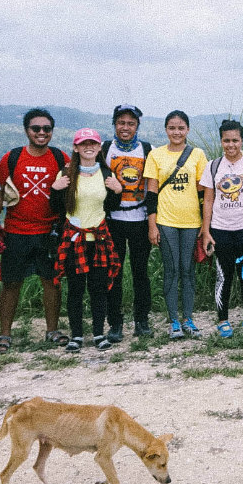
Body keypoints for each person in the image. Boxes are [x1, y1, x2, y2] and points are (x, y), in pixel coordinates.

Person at [0, 108, 70, 355]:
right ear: (26, 130)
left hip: (49, 231)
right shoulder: (12, 158)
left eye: (46, 129)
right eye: (36, 128)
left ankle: (52, 330)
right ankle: (4, 334)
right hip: (16, 231)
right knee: (11, 283)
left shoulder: (60, 158)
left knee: (52, 282)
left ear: (52, 131)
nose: (41, 133)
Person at [50, 129, 123, 352]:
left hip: (98, 238)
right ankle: (77, 335)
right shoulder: (65, 173)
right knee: (75, 289)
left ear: (99, 148)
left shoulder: (106, 173)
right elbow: (56, 207)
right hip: (74, 239)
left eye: (93, 144)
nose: (88, 147)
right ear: (75, 147)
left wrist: (118, 191)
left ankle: (99, 333)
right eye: (83, 144)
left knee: (98, 289)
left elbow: (110, 207)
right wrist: (55, 190)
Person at [200, 119, 243, 337]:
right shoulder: (213, 166)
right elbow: (208, 200)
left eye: (235, 140)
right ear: (221, 141)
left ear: (242, 140)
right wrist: (206, 231)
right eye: (226, 140)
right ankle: (223, 320)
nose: (231, 145)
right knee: (223, 275)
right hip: (221, 229)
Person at [144, 111, 207, 339]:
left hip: (192, 222)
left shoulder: (197, 155)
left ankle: (188, 318)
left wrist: (205, 225)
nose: (177, 132)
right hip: (166, 221)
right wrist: (152, 225)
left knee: (188, 270)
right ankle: (173, 321)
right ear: (166, 130)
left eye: (181, 128)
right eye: (172, 128)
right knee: (172, 270)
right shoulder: (156, 155)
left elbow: (203, 193)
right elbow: (151, 194)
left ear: (188, 130)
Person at [102, 104, 154, 339]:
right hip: (112, 219)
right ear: (114, 124)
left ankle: (141, 320)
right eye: (121, 123)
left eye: (130, 123)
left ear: (137, 126)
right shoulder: (105, 149)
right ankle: (115, 322)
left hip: (139, 218)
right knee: (114, 272)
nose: (125, 127)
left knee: (140, 272)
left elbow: (153, 187)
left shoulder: (147, 149)